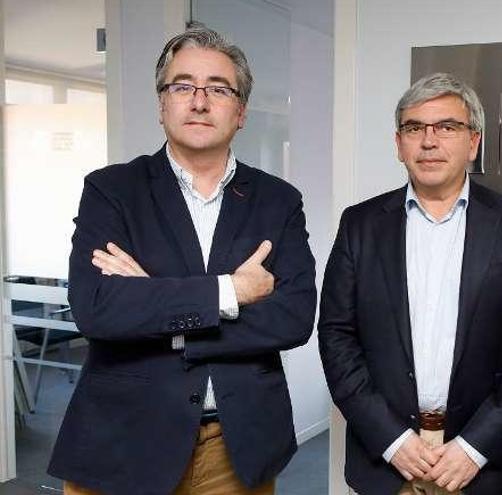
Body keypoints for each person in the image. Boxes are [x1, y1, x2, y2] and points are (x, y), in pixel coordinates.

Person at [47, 24, 317, 495]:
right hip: (124, 439)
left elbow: (293, 318)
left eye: (218, 88)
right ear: (161, 104)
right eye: (183, 85)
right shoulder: (111, 191)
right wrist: (231, 291)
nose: (199, 100)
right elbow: (96, 309)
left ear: (242, 111)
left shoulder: (279, 201)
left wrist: (162, 314)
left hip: (235, 447)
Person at [319, 72, 502, 494]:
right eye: (414, 128)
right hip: (388, 462)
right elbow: (337, 336)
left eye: (447, 127)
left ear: (473, 142)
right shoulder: (360, 225)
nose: (429, 141)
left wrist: (474, 447)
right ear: (399, 144)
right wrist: (391, 440)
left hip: (483, 464)